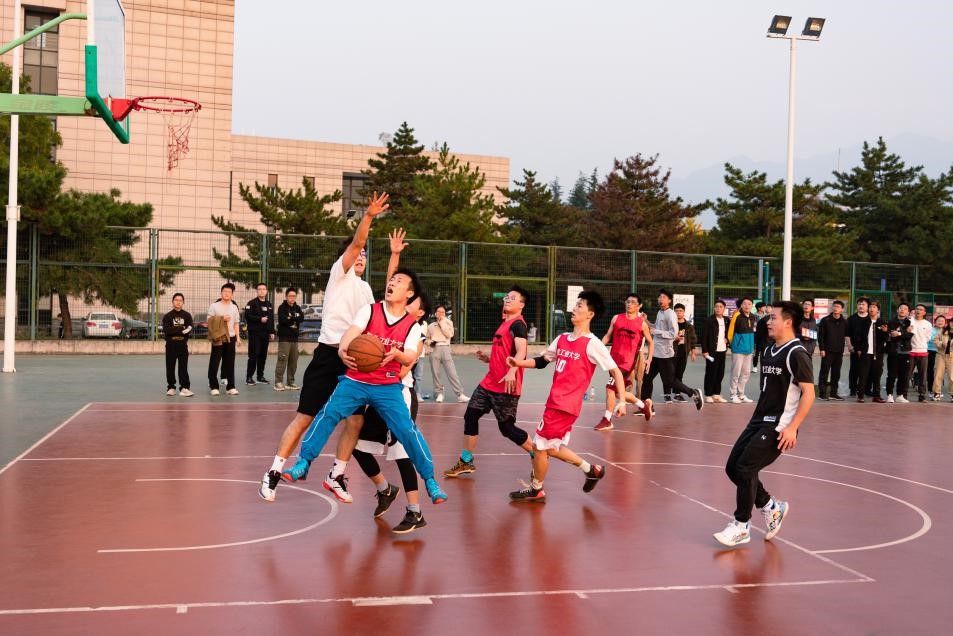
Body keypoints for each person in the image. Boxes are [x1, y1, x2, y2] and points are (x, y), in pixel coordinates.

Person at [257, 192, 393, 502]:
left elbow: (376, 321)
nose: (361, 256)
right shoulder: (339, 275)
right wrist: (368, 217)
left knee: (355, 421)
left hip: (355, 362)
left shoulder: (366, 290)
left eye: (365, 254)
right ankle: (273, 472)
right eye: (357, 253)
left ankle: (336, 475)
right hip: (329, 356)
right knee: (305, 418)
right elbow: (356, 244)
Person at [281, 268, 448, 506]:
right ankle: (303, 462)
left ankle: (430, 479)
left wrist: (397, 354)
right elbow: (352, 332)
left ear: (409, 293)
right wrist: (343, 349)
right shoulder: (370, 310)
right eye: (391, 279)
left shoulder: (412, 326)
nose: (392, 282)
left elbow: (411, 355)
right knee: (328, 413)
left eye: (399, 281)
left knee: (407, 430)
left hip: (387, 386)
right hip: (356, 381)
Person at [506, 291, 627, 503]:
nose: (574, 309)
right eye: (575, 305)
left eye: (580, 306)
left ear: (590, 314)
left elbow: (616, 371)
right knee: (550, 447)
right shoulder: (562, 338)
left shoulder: (592, 343)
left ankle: (537, 489)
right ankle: (591, 469)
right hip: (554, 402)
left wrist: (623, 400)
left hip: (566, 405)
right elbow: (543, 361)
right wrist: (519, 363)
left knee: (539, 447)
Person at [713, 300, 815, 548]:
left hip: (778, 425)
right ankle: (771, 506)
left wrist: (792, 428)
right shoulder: (769, 349)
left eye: (774, 317)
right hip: (758, 420)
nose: (768, 322)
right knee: (733, 468)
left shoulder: (797, 353)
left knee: (746, 467)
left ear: (788, 322)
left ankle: (741, 525)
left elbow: (809, 394)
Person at [348, 294, 431, 533]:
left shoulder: (417, 335)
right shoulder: (388, 326)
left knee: (402, 453)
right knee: (357, 446)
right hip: (380, 395)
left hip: (400, 396)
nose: (405, 303)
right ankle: (385, 489)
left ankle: (415, 512)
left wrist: (374, 365)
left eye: (411, 302)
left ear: (420, 312)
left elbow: (402, 370)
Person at [445, 286, 538, 476]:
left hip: (506, 385)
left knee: (507, 428)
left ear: (522, 304)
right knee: (471, 415)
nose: (507, 299)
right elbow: (505, 351)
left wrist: (512, 370)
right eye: (506, 297)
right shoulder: (505, 323)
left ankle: (537, 453)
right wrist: (489, 358)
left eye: (513, 298)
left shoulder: (518, 325)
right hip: (489, 382)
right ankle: (466, 461)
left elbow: (521, 351)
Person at [594, 292, 654, 431]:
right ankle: (643, 406)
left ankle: (607, 420)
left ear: (639, 306)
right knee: (617, 392)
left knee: (610, 388)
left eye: (633, 302)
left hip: (627, 363)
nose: (629, 304)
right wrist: (598, 349)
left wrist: (649, 359)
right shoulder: (616, 318)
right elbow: (607, 336)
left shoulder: (642, 324)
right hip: (612, 360)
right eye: (627, 301)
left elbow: (651, 342)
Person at [640, 289, 704, 410]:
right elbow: (655, 328)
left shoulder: (671, 314)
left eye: (663, 297)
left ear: (669, 300)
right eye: (659, 297)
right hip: (655, 353)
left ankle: (693, 393)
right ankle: (645, 407)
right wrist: (646, 321)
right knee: (647, 378)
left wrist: (656, 332)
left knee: (669, 381)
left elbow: (673, 333)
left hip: (665, 354)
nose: (660, 299)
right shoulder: (660, 312)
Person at [427, 305, 469, 403]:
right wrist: (430, 342)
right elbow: (426, 338)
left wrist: (442, 322)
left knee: (452, 372)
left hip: (445, 348)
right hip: (434, 349)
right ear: (435, 313)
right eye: (439, 311)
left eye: (443, 312)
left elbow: (449, 334)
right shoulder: (431, 326)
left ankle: (460, 394)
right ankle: (439, 393)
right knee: (436, 373)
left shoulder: (449, 322)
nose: (440, 313)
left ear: (445, 314)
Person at [208, 282, 242, 396]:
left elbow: (236, 323)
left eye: (229, 292)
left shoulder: (234, 307)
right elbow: (209, 321)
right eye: (224, 291)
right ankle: (214, 386)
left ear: (232, 294)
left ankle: (230, 387)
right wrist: (222, 318)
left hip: (231, 338)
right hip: (218, 338)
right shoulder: (214, 306)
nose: (226, 293)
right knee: (215, 362)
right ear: (221, 293)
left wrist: (238, 337)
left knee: (230, 363)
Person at [162, 292, 193, 397]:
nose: (178, 302)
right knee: (170, 367)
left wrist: (175, 329)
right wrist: (181, 328)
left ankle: (184, 388)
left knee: (183, 368)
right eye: (176, 300)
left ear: (183, 302)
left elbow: (189, 329)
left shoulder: (187, 315)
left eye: (180, 300)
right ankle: (171, 387)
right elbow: (167, 330)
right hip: (170, 345)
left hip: (183, 346)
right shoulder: (167, 316)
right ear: (172, 301)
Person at [727, 297, 757, 403]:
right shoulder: (737, 315)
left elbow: (754, 332)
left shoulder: (753, 317)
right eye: (745, 304)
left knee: (746, 373)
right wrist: (732, 344)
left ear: (752, 306)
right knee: (736, 373)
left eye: (749, 304)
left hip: (749, 349)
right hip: (738, 349)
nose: (747, 306)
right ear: (741, 305)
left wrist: (753, 347)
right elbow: (730, 331)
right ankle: (733, 395)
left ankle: (741, 394)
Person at [817, 299, 848, 400]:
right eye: (834, 306)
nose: (835, 308)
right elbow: (820, 336)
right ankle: (822, 394)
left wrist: (847, 348)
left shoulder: (844, 322)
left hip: (839, 352)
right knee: (824, 373)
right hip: (827, 351)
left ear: (842, 309)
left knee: (836, 373)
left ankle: (833, 393)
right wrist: (822, 349)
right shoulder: (825, 320)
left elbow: (846, 336)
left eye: (838, 307)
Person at [244, 282, 274, 386]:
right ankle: (249, 377)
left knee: (263, 355)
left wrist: (272, 331)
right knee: (254, 355)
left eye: (263, 289)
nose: (261, 291)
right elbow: (247, 316)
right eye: (259, 289)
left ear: (266, 291)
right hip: (254, 334)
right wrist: (260, 319)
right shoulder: (251, 303)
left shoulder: (269, 304)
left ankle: (260, 376)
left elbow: (271, 319)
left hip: (265, 334)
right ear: (257, 291)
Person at [274, 288, 304, 391]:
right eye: (290, 296)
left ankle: (290, 382)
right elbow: (283, 320)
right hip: (284, 339)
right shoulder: (282, 308)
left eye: (294, 296)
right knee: (282, 360)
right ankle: (278, 382)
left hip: (294, 339)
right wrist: (294, 319)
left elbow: (301, 318)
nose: (292, 298)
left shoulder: (297, 308)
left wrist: (291, 318)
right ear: (286, 296)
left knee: (293, 361)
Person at [702, 299, 730, 403]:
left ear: (724, 309)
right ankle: (708, 394)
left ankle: (716, 394)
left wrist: (728, 340)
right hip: (711, 352)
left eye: (720, 307)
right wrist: (705, 350)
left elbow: (729, 333)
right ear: (714, 308)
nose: (718, 308)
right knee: (711, 373)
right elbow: (704, 336)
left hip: (722, 351)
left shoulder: (726, 320)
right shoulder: (709, 320)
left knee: (720, 373)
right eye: (716, 307)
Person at [885, 303, 913, 403]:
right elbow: (889, 334)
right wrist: (899, 333)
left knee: (903, 375)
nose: (902, 310)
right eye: (901, 308)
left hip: (905, 352)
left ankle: (900, 395)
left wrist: (899, 333)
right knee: (891, 375)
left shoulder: (910, 322)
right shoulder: (891, 321)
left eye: (905, 309)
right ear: (897, 310)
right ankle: (889, 395)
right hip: (893, 351)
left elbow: (909, 335)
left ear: (908, 312)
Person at [906, 304, 933, 402]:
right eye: (917, 309)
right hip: (910, 351)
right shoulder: (909, 321)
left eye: (921, 309)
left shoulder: (928, 324)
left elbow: (928, 337)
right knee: (907, 374)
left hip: (923, 352)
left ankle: (922, 395)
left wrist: (921, 343)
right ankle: (903, 394)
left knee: (923, 375)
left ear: (924, 312)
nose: (918, 311)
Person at [672, 302, 697, 403]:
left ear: (684, 312)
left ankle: (677, 394)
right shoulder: (671, 324)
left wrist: (693, 352)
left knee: (679, 374)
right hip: (671, 353)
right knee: (670, 375)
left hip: (683, 353)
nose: (678, 313)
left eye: (680, 311)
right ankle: (667, 394)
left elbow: (693, 339)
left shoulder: (688, 326)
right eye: (676, 311)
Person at [846, 298, 871, 397]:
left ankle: (866, 389)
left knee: (866, 370)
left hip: (868, 348)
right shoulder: (851, 319)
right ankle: (852, 389)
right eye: (859, 304)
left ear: (867, 307)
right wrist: (849, 345)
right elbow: (847, 334)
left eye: (863, 304)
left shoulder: (870, 319)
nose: (861, 306)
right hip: (854, 348)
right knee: (854, 369)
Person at [932, 316, 953, 401]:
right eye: (951, 322)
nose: (952, 324)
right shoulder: (943, 331)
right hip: (941, 355)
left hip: (952, 357)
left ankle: (952, 394)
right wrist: (941, 344)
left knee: (952, 376)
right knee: (938, 375)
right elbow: (935, 340)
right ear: (949, 323)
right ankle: (936, 393)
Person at [752, 301, 769, 372]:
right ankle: (754, 366)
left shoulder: (767, 316)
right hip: (756, 336)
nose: (765, 308)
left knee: (764, 352)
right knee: (756, 352)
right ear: (759, 308)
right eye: (763, 307)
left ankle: (764, 366)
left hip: (765, 336)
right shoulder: (753, 316)